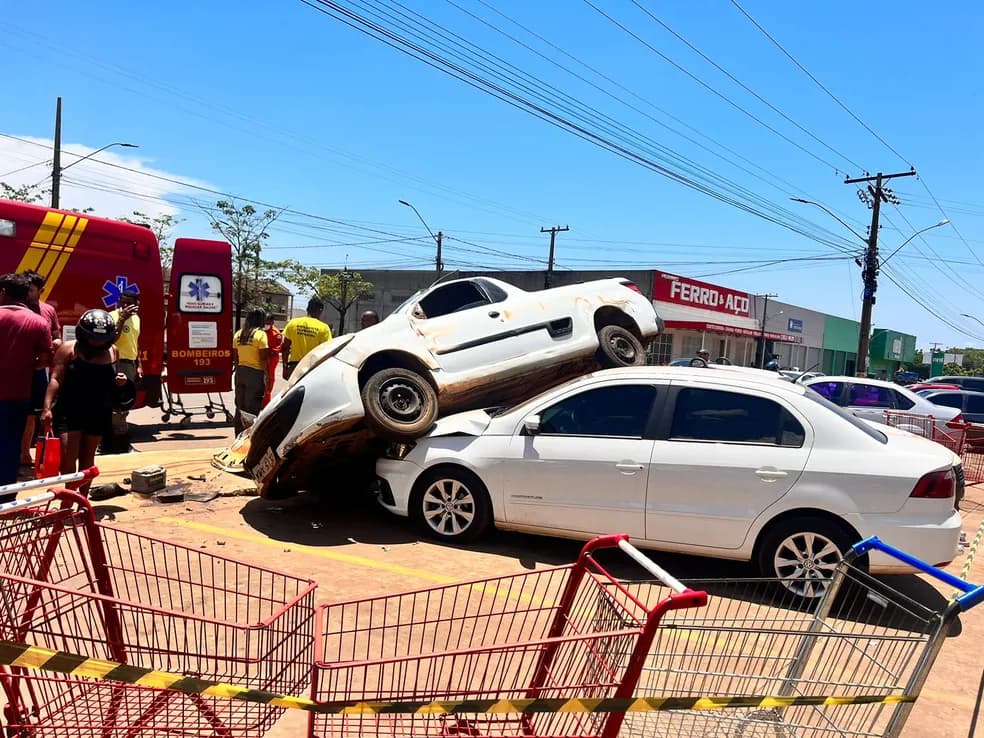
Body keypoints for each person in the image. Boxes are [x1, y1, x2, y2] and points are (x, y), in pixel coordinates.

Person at [41, 309, 125, 498]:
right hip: (69, 410)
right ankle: (67, 502)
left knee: (88, 459)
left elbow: (112, 378)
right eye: (93, 338)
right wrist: (46, 408)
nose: (98, 343)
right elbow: (55, 379)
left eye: (102, 339)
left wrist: (120, 380)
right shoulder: (69, 349)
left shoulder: (113, 351)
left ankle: (82, 500)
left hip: (98, 411)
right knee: (68, 460)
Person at [0, 274, 53, 496]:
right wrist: (27, 365)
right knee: (11, 444)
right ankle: (7, 496)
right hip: (18, 394)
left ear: (3, 292)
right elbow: (46, 359)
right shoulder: (39, 322)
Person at [20, 270, 62, 469]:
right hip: (15, 369)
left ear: (41, 291)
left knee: (32, 414)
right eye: (25, 289)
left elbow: (57, 336)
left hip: (38, 371)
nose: (27, 293)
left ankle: (25, 452)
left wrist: (53, 344)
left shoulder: (48, 311)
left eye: (31, 290)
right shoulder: (12, 307)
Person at [233, 309, 270, 435]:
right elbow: (263, 358)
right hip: (255, 373)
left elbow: (236, 356)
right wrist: (267, 376)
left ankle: (238, 436)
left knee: (240, 406)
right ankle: (248, 438)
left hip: (240, 372)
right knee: (251, 407)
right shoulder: (260, 335)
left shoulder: (238, 334)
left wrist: (239, 370)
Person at [281, 298, 333, 380]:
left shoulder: (293, 323)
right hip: (312, 368)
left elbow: (285, 347)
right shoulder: (324, 328)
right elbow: (327, 352)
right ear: (320, 310)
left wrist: (284, 367)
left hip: (294, 367)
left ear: (307, 309)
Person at [110, 288, 141, 384]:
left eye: (129, 303)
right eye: (122, 302)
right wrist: (122, 319)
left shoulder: (136, 318)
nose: (125, 306)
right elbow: (111, 340)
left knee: (128, 395)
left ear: (136, 303)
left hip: (130, 364)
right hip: (116, 362)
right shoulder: (112, 316)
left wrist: (139, 366)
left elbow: (135, 342)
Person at [262, 313, 283, 409]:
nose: (266, 324)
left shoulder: (276, 334)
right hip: (261, 358)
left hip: (271, 360)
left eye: (268, 322)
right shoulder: (260, 330)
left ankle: (266, 403)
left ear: (272, 322)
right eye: (264, 322)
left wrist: (265, 353)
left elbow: (276, 350)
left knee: (269, 380)